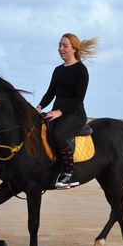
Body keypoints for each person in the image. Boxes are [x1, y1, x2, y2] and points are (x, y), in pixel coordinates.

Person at [36, 33, 98, 189]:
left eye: (65, 46)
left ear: (74, 49)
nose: (60, 49)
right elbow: (50, 92)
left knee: (58, 134)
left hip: (75, 114)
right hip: (58, 112)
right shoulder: (58, 70)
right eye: (59, 45)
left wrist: (60, 112)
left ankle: (71, 174)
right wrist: (40, 107)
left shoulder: (81, 70)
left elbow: (78, 98)